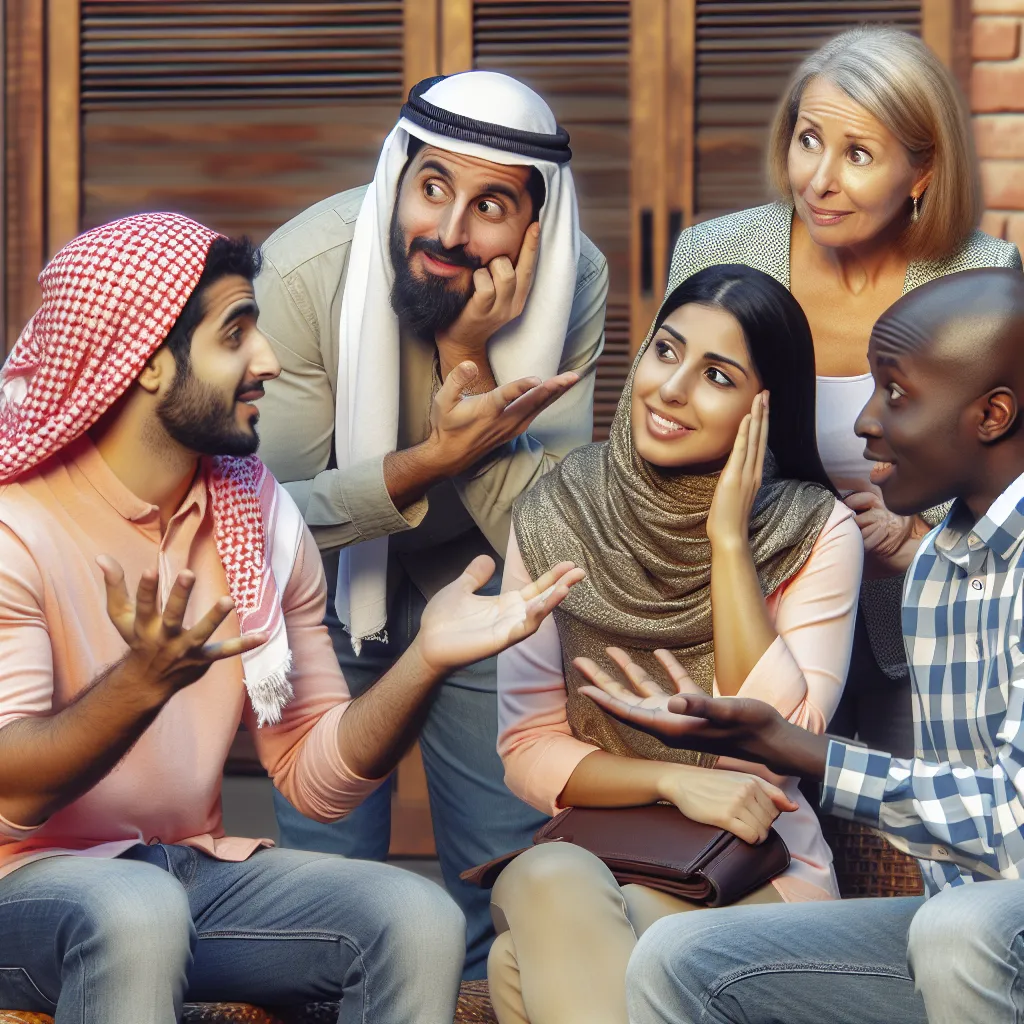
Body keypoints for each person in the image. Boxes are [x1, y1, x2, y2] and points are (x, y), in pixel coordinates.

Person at [0, 212, 584, 1024]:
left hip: (183, 875)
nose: (267, 361)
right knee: (135, 912)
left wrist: (426, 659)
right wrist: (136, 687)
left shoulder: (254, 516)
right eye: (235, 334)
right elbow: (10, 786)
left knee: (414, 920)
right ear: (145, 365)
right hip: (23, 887)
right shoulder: (14, 527)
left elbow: (317, 782)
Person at [579, 267, 1024, 1024]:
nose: (863, 424)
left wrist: (802, 749)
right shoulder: (939, 573)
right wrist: (767, 737)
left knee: (958, 928)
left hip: (977, 930)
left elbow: (1015, 832)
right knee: (682, 956)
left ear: (991, 415)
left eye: (897, 395)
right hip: (970, 934)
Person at [252, 69, 608, 976]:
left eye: (489, 206)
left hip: (486, 594)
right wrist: (428, 464)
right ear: (401, 178)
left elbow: (552, 528)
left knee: (502, 887)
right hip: (324, 590)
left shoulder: (576, 282)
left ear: (536, 228)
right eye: (434, 188)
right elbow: (272, 515)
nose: (448, 232)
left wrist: (467, 356)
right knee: (322, 898)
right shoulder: (304, 269)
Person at [486, 264, 864, 1024]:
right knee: (547, 873)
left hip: (760, 873)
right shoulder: (556, 512)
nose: (670, 388)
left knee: (517, 956)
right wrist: (671, 781)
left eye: (716, 375)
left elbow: (785, 739)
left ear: (765, 406)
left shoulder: (815, 530)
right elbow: (527, 746)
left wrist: (729, 539)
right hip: (609, 861)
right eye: (666, 351)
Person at [667, 26, 1022, 757]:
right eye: (807, 140)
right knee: (769, 852)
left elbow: (1011, 474)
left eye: (857, 154)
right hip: (749, 625)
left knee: (935, 849)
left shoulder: (981, 275)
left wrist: (924, 542)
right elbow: (652, 442)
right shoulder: (719, 254)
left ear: (922, 173)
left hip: (924, 635)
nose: (818, 180)